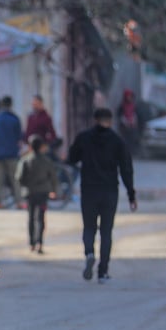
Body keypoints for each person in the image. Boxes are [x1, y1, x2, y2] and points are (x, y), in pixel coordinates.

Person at [68, 107, 137, 283]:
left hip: (89, 190)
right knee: (106, 231)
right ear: (110, 120)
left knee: (89, 227)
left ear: (95, 119)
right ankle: (103, 272)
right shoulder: (117, 141)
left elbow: (72, 158)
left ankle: (89, 253)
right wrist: (131, 194)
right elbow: (126, 169)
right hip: (109, 192)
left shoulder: (84, 137)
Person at [17, 135, 59, 254]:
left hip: (30, 193)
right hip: (43, 193)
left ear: (30, 147)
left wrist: (25, 186)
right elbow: (53, 177)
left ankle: (31, 243)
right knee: (40, 217)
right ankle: (40, 242)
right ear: (41, 147)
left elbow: (19, 177)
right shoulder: (47, 161)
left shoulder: (25, 160)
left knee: (31, 217)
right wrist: (53, 190)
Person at [0, 95, 24, 209]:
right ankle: (19, 202)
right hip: (11, 153)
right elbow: (19, 137)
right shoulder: (14, 119)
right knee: (15, 178)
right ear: (10, 105)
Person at [116, 89, 141, 153]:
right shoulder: (122, 106)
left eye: (131, 96)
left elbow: (136, 114)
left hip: (132, 126)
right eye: (128, 96)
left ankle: (132, 151)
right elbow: (120, 115)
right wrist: (125, 122)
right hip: (124, 126)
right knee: (124, 139)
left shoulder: (134, 106)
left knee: (132, 138)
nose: (129, 98)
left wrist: (133, 121)